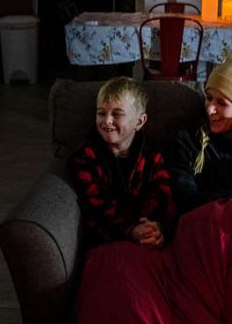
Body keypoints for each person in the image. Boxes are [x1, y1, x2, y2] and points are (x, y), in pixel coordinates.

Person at [67, 77, 175, 248]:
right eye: (101, 113)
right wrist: (130, 230)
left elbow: (164, 196)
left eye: (117, 114)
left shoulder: (153, 156)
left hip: (148, 236)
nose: (107, 121)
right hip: (109, 239)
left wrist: (156, 228)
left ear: (139, 122)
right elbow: (96, 205)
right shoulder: (84, 157)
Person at [168, 51, 232, 213]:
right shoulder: (187, 140)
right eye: (209, 98)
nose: (210, 109)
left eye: (221, 103)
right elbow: (184, 200)